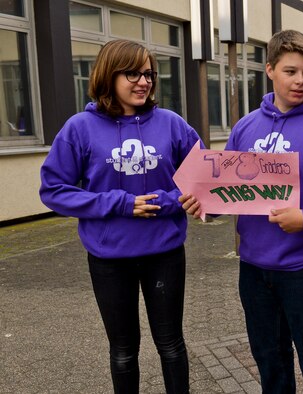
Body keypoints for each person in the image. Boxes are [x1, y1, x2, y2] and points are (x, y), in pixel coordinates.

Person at [180, 30, 303, 392]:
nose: (300, 81)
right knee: (270, 363)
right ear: (269, 69)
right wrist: (206, 205)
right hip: (254, 270)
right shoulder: (246, 127)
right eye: (290, 71)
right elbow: (233, 193)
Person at [39, 39, 201, 394]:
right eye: (132, 73)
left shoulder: (172, 124)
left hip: (165, 254)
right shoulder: (79, 128)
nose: (143, 82)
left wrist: (168, 201)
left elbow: (202, 181)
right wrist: (121, 204)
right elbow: (54, 191)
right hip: (110, 258)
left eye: (148, 74)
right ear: (108, 75)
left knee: (171, 345)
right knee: (124, 352)